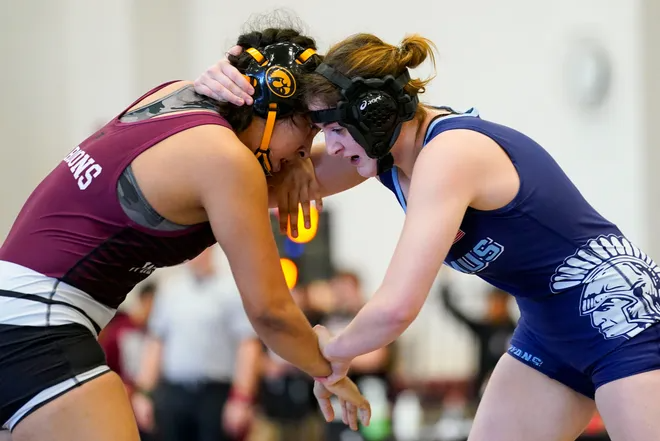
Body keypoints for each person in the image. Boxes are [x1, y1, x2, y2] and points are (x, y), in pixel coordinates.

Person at [197, 32, 660, 441]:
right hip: (548, 332)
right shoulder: (388, 157)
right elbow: (237, 182)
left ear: (374, 115)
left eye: (335, 129)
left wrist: (329, 355)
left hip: (622, 311)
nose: (327, 147)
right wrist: (221, 100)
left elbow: (397, 307)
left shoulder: (449, 154)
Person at [0, 25, 370, 441]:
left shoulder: (174, 97)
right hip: (36, 324)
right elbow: (270, 313)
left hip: (16, 314)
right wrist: (329, 370)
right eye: (309, 130)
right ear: (271, 105)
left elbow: (350, 162)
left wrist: (378, 130)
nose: (307, 150)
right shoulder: (227, 162)